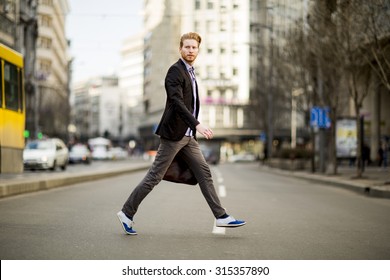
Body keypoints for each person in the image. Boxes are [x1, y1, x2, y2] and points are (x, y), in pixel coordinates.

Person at [117, 32, 246, 235]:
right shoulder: (175, 72)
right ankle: (127, 212)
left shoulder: (191, 72)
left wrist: (193, 128)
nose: (190, 50)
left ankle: (221, 216)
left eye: (194, 47)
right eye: (187, 47)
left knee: (204, 172)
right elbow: (176, 102)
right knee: (154, 177)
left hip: (188, 137)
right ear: (181, 49)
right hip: (174, 134)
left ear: (198, 50)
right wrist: (198, 124)